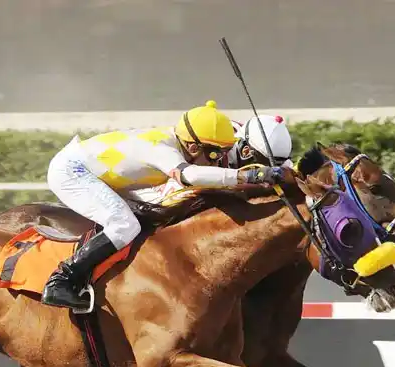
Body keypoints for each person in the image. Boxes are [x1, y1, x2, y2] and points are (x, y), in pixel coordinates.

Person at [42, 100, 286, 311]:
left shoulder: (202, 137)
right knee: (124, 225)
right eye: (215, 154)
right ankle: (61, 280)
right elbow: (190, 175)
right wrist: (247, 177)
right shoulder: (162, 149)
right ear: (192, 147)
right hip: (73, 172)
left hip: (111, 176)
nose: (220, 159)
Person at [227, 114, 294, 170]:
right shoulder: (220, 151)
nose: (270, 172)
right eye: (263, 168)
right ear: (246, 152)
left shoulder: (279, 159)